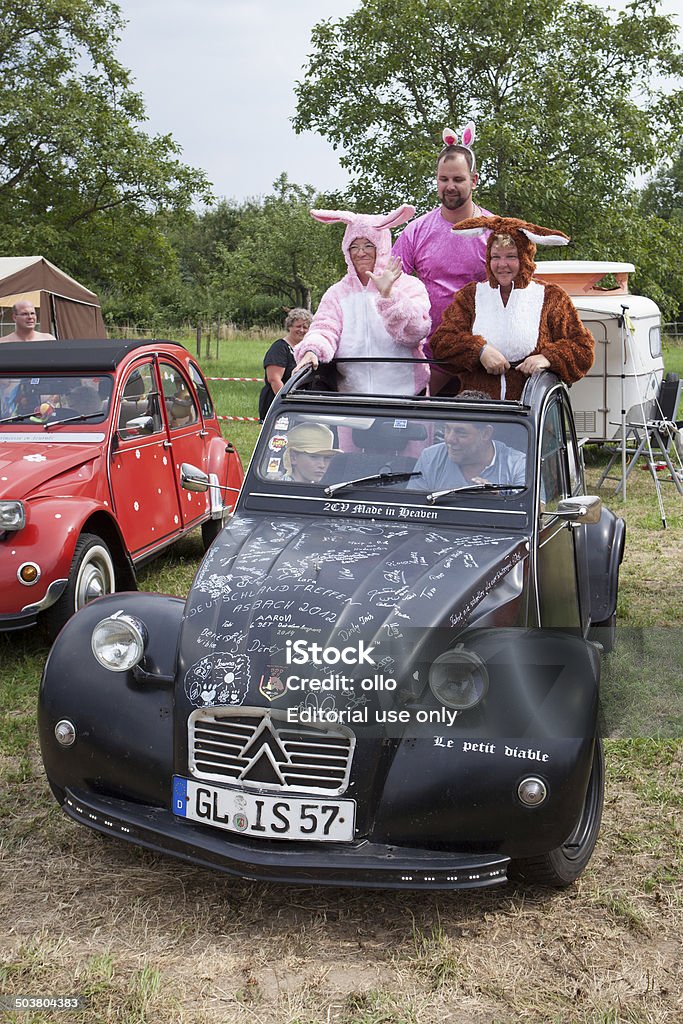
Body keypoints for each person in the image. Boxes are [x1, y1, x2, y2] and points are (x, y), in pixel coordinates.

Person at [430, 216, 595, 401]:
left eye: (511, 256)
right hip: (479, 417)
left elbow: (583, 349)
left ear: (525, 258)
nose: (502, 265)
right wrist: (479, 351)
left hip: (531, 415)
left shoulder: (551, 297)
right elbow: (441, 341)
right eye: (495, 257)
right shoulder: (471, 296)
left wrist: (548, 358)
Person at [293, 205, 430, 395]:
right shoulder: (337, 293)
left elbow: (416, 333)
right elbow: (324, 328)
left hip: (406, 397)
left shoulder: (409, 286)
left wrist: (389, 296)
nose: (360, 253)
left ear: (381, 247)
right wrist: (312, 350)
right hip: (352, 401)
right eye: (354, 246)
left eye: (368, 245)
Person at [391, 124, 494, 358]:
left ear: (474, 180)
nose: (450, 186)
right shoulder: (415, 231)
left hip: (481, 356)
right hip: (426, 357)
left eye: (458, 179)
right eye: (443, 179)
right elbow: (391, 287)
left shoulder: (495, 231)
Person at [408, 392, 526, 491]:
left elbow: (534, 511)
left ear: (486, 434)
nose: (449, 439)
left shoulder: (518, 465)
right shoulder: (430, 458)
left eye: (461, 432)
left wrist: (498, 498)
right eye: (447, 429)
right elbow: (412, 510)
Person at [259, 308, 312, 420]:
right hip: (280, 406)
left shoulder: (308, 350)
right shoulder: (280, 348)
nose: (301, 330)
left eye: (305, 327)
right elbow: (274, 379)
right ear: (289, 327)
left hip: (300, 404)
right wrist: (287, 404)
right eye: (298, 326)